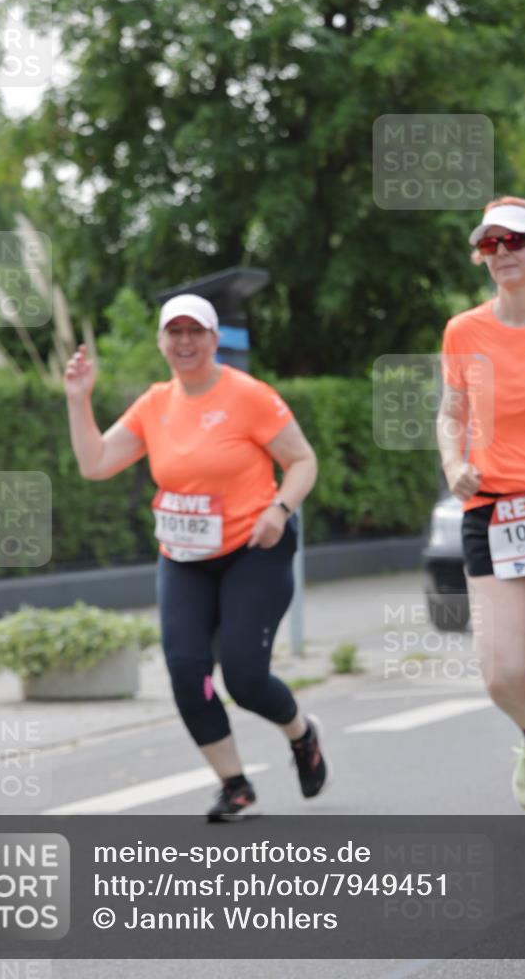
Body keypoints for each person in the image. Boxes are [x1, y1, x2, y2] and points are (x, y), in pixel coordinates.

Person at [64, 293, 327, 820]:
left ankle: (301, 734)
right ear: (162, 341)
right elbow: (95, 464)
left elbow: (302, 461)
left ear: (214, 339)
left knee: (245, 678)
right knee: (186, 672)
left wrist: (279, 508)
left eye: (196, 332)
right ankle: (234, 784)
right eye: (174, 332)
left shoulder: (248, 396)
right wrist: (78, 399)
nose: (185, 342)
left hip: (255, 547)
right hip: (184, 556)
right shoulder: (155, 403)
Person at [437, 196, 525, 845]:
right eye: (490, 244)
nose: (503, 253)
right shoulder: (463, 331)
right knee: (499, 673)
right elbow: (449, 413)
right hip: (492, 510)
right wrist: (450, 464)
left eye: (517, 240)